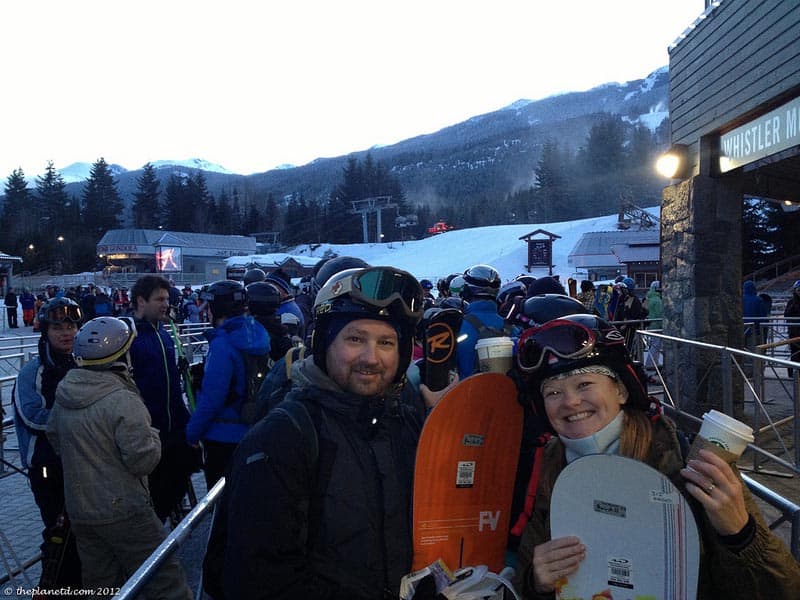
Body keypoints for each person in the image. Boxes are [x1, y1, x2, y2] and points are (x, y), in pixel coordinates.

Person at [512, 314, 800, 599]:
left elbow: (784, 591)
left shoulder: (687, 462)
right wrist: (537, 583)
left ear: (621, 390)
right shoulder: (546, 469)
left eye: (585, 384)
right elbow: (529, 577)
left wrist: (742, 536)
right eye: (553, 392)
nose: (570, 401)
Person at [220, 265, 439, 599]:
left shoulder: (406, 424)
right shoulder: (284, 437)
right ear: (323, 343)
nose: (371, 358)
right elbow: (256, 577)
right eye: (355, 339)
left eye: (386, 342)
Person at [46, 317, 192, 599]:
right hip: (124, 509)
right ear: (122, 355)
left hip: (81, 510)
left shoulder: (65, 391)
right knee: (164, 577)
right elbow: (143, 461)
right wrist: (153, 436)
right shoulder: (122, 399)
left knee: (101, 584)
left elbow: (55, 438)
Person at [12, 298, 84, 589]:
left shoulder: (82, 361)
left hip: (80, 463)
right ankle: (53, 587)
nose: (66, 333)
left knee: (83, 533)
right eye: (57, 327)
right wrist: (80, 418)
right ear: (46, 331)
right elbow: (31, 416)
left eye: (71, 326)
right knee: (58, 534)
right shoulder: (33, 371)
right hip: (47, 467)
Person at [185, 280, 270, 488]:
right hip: (253, 427)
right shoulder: (258, 333)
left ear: (216, 308)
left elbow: (212, 397)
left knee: (221, 504)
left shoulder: (223, 344)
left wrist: (192, 434)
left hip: (222, 434)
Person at [129, 275, 197, 523]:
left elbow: (172, 384)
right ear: (141, 301)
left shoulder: (165, 333)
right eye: (159, 299)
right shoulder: (130, 337)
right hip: (148, 433)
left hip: (172, 430)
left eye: (167, 298)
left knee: (175, 486)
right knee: (155, 501)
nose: (166, 303)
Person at [456, 264, 505, 378]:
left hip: (464, 393)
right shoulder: (512, 328)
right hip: (505, 393)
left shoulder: (458, 326)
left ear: (467, 291)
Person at [643, 280, 663, 372]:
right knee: (656, 345)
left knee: (653, 345)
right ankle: (651, 363)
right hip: (657, 325)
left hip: (649, 325)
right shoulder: (658, 300)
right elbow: (660, 314)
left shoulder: (647, 299)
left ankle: (653, 362)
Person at [743, 280, 769, 347]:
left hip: (742, 329)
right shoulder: (758, 300)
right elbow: (763, 316)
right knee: (753, 350)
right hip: (754, 330)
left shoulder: (740, 299)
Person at [785, 280, 800, 378]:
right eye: (798, 290)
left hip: (795, 331)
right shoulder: (791, 302)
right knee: (794, 353)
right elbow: (786, 315)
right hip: (794, 332)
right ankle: (793, 375)